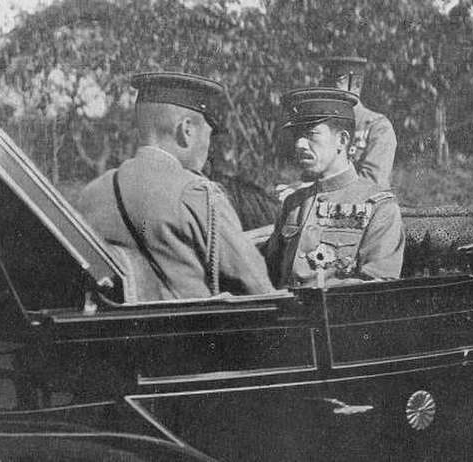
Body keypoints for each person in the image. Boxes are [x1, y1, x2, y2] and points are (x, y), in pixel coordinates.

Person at [77, 72, 273, 301]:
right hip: (196, 334)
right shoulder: (197, 194)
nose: (208, 146)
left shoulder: (91, 194)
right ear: (186, 130)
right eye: (208, 135)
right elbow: (259, 289)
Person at [265, 88, 405, 288]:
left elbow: (377, 286)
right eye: (297, 135)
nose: (299, 144)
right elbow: (269, 274)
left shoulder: (380, 208)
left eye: (310, 134)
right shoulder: (293, 204)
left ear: (342, 140)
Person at [320, 56, 397, 189]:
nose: (329, 89)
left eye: (337, 81)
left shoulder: (378, 127)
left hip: (368, 206)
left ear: (356, 84)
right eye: (327, 82)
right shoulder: (325, 126)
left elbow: (371, 182)